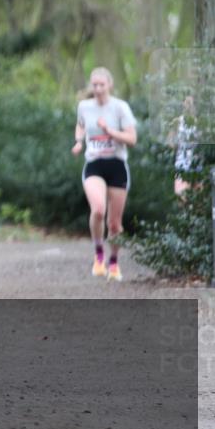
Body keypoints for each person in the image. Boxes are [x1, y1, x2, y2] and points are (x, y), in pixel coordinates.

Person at [71, 67, 137, 282]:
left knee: (115, 224)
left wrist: (109, 131)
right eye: (94, 85)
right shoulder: (84, 107)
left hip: (117, 166)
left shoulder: (120, 107)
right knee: (98, 209)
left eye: (101, 85)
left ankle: (114, 262)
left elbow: (132, 139)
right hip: (94, 165)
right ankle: (99, 254)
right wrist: (79, 142)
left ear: (110, 85)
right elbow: (80, 125)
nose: (98, 89)